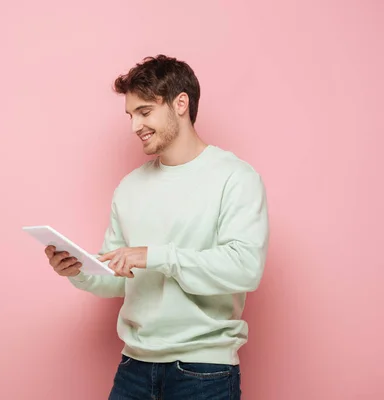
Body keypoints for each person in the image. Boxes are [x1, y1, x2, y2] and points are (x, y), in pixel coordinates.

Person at [44, 54, 269, 400]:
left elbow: (245, 269)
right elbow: (120, 277)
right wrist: (79, 270)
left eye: (145, 112)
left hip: (204, 371)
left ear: (181, 104)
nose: (135, 126)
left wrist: (155, 256)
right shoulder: (130, 187)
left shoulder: (235, 178)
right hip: (134, 366)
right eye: (131, 115)